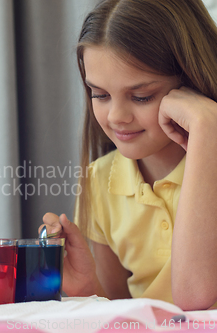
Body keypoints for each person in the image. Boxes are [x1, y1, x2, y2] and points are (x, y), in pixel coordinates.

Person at [41, 0, 217, 311]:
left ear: (190, 83)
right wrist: (86, 287)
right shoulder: (99, 180)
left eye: (141, 96)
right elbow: (121, 314)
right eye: (100, 94)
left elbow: (196, 298)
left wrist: (207, 129)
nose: (117, 117)